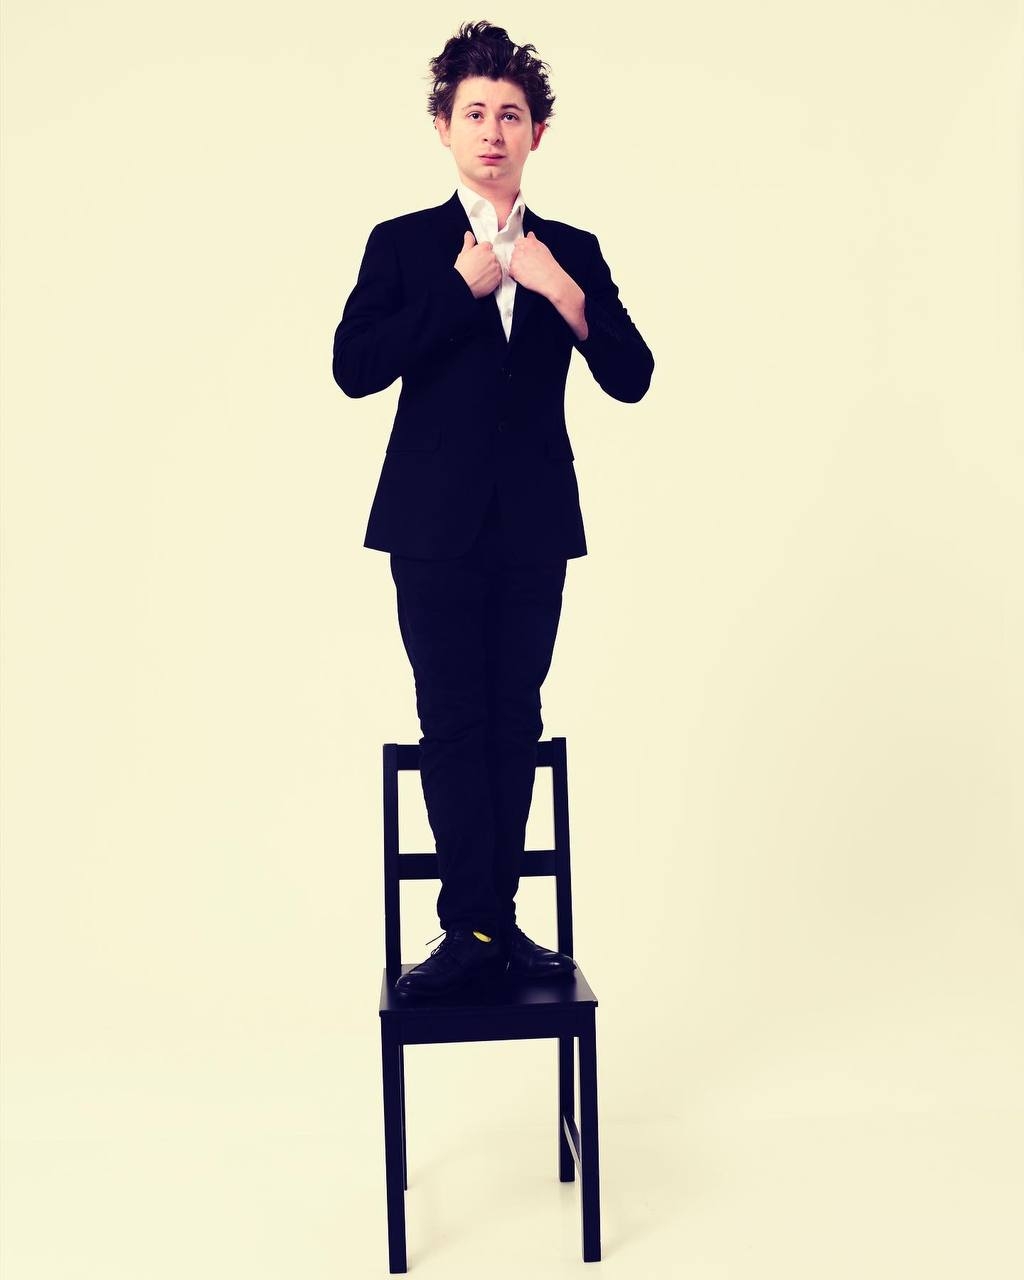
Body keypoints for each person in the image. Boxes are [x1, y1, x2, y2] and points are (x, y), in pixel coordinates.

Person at [332, 20, 654, 997]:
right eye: (473, 113)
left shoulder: (572, 251)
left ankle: (495, 926)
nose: (491, 131)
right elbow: (353, 366)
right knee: (452, 716)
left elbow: (633, 375)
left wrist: (564, 294)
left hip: (534, 525)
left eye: (510, 114)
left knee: (516, 716)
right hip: (430, 525)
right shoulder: (402, 245)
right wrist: (456, 290)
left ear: (536, 134)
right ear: (443, 126)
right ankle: (468, 927)